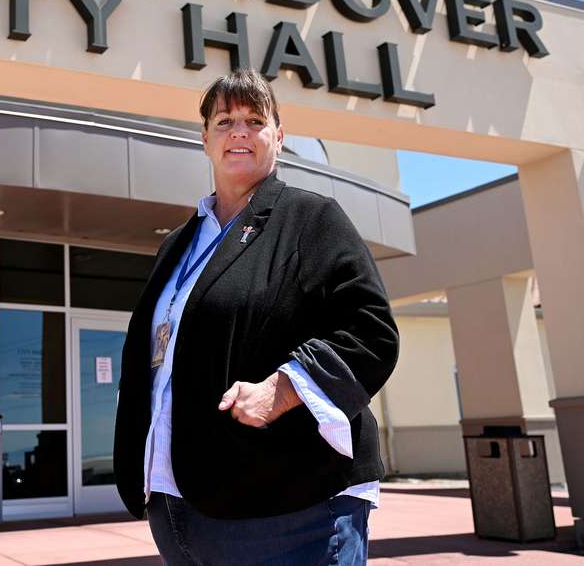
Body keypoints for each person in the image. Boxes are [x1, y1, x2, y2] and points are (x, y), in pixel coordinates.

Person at [113, 69, 399, 565]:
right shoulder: (176, 246)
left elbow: (372, 331)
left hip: (291, 509)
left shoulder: (312, 219)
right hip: (177, 503)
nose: (239, 132)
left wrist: (284, 389)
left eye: (254, 120)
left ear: (279, 137)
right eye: (224, 121)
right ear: (205, 139)